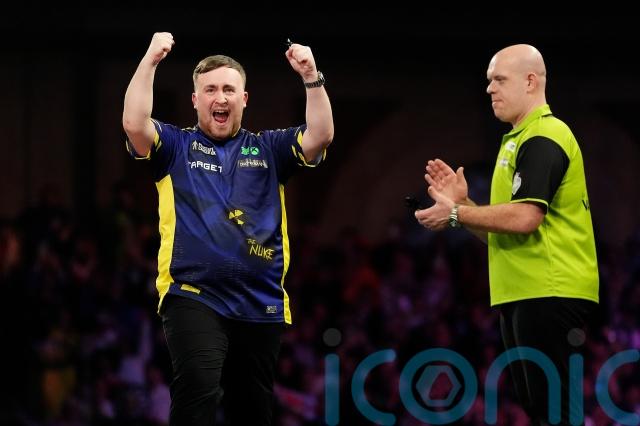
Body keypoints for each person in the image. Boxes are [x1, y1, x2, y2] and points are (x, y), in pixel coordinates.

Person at [122, 32, 333, 426]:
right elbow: (135, 124)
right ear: (195, 99)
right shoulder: (175, 146)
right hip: (193, 294)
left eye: (229, 89)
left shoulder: (270, 149)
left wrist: (311, 76)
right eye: (210, 90)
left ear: (244, 99)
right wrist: (150, 59)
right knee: (198, 388)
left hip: (261, 302)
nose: (220, 97)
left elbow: (320, 136)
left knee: (252, 410)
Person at [415, 44, 599, 425]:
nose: (489, 89)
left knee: (557, 414)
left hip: (549, 288)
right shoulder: (518, 139)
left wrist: (455, 213)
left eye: (499, 79)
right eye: (488, 81)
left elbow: (526, 217)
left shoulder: (545, 135)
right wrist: (464, 206)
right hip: (524, 291)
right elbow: (505, 231)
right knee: (541, 412)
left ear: (530, 82)